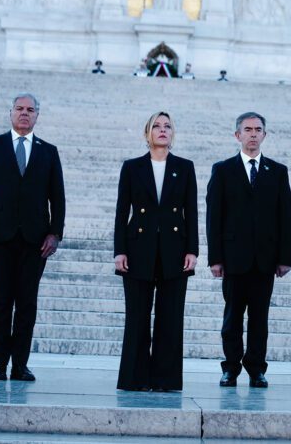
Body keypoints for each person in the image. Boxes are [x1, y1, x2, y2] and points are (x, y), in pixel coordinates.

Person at [0, 94, 65, 382]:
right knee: (0, 302)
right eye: (20, 109)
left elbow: (57, 197)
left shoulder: (49, 151)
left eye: (30, 110)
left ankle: (20, 364)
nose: (25, 114)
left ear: (37, 115)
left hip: (36, 241)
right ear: (10, 112)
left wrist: (55, 233)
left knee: (27, 303)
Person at [207, 113, 291, 388]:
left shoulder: (278, 171)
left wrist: (284, 258)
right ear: (238, 135)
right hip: (233, 259)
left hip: (265, 260)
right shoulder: (222, 170)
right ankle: (230, 368)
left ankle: (256, 368)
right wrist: (215, 258)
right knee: (232, 317)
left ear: (264, 136)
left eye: (258, 130)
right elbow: (214, 216)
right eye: (248, 129)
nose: (253, 134)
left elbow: (285, 216)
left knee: (260, 318)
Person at [113, 112, 198, 391]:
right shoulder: (132, 167)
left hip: (175, 251)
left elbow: (192, 212)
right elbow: (121, 212)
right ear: (147, 133)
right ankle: (135, 378)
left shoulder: (185, 167)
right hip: (138, 249)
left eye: (168, 126)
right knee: (136, 315)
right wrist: (119, 250)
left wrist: (192, 250)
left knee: (170, 317)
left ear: (173, 134)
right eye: (157, 126)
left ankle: (165, 379)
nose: (162, 130)